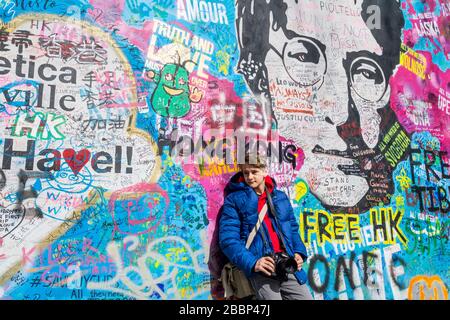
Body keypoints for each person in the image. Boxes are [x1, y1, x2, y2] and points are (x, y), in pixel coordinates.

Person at [235, 0, 410, 214]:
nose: (340, 114)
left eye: (366, 72)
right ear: (259, 78)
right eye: (304, 58)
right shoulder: (246, 202)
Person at [219, 154, 313, 300]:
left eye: (254, 172)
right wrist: (253, 263)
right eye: (246, 173)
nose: (249, 177)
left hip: (286, 264)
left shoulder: (280, 197)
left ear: (264, 171)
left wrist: (299, 253)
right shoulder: (234, 201)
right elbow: (228, 240)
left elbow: (293, 229)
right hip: (262, 270)